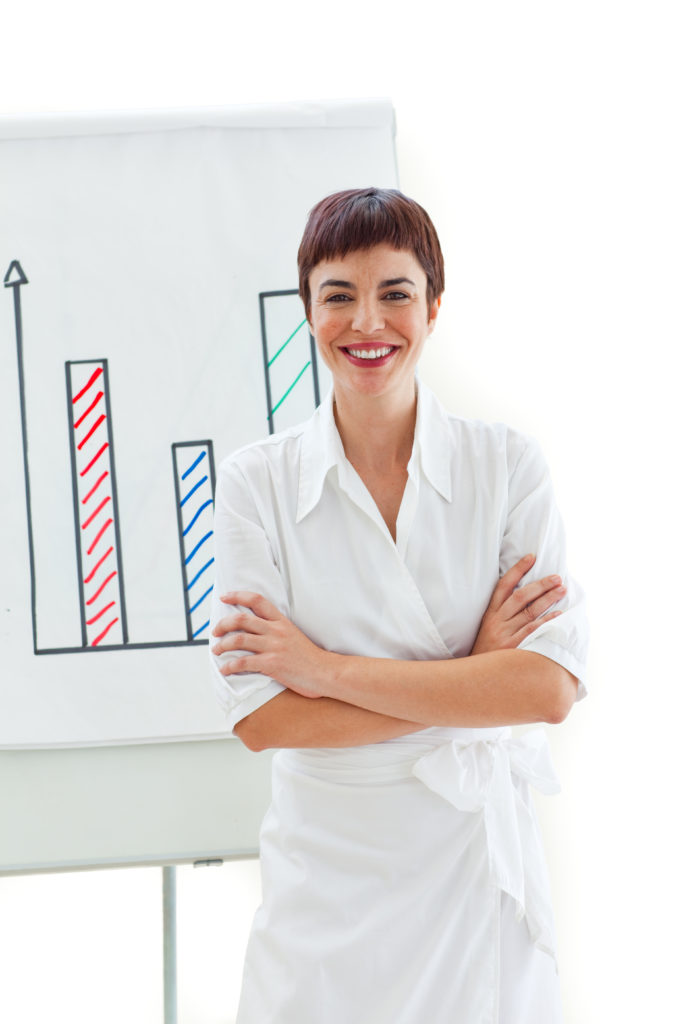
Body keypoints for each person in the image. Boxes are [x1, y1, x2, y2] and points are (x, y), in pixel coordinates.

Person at [208, 187, 588, 1023]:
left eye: (395, 294)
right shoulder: (254, 485)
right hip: (326, 881)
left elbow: (546, 692)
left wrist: (318, 669)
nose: (366, 323)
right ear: (306, 310)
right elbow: (264, 721)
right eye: (338, 295)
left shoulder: (506, 468)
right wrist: (468, 681)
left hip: (469, 880)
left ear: (434, 306)